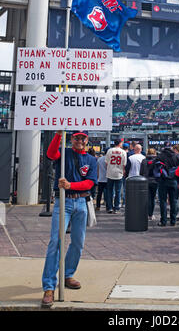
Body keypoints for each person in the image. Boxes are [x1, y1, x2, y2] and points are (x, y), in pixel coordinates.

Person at [41, 130, 97, 308]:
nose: (80, 140)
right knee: (55, 242)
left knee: (78, 242)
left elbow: (90, 182)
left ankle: (67, 274)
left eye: (83, 138)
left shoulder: (91, 159)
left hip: (81, 202)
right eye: (76, 137)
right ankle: (49, 287)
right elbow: (50, 154)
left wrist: (70, 185)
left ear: (87, 140)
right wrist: (58, 134)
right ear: (71, 139)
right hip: (63, 202)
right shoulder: (65, 153)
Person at [155, 141, 179, 226]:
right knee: (174, 200)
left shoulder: (160, 156)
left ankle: (163, 221)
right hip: (173, 180)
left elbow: (155, 168)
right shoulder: (176, 156)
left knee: (163, 201)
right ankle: (173, 221)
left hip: (163, 181)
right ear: (170, 147)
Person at [105, 139, 127, 213]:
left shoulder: (109, 151)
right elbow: (124, 164)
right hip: (119, 173)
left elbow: (106, 163)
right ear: (120, 143)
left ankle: (110, 207)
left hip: (110, 172)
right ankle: (116, 207)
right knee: (118, 191)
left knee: (110, 191)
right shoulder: (123, 152)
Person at [140, 148, 158, 220]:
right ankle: (151, 214)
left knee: (147, 198)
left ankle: (146, 213)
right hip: (154, 181)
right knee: (153, 198)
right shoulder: (156, 161)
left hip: (145, 181)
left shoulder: (144, 161)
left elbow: (141, 172)